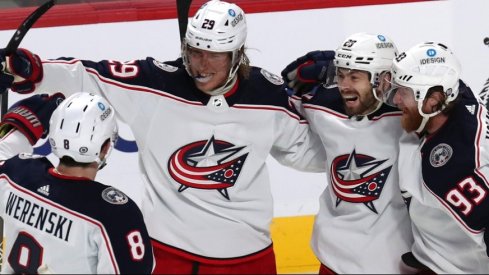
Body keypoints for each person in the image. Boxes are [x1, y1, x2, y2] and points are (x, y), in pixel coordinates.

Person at [0, 0, 326, 273]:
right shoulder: (155, 84)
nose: (201, 64)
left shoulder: (268, 96)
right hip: (167, 256)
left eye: (214, 54)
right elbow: (89, 75)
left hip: (249, 259)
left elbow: (308, 153)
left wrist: (337, 107)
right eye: (195, 51)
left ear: (238, 53)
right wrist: (34, 70)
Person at [281, 32, 414, 274]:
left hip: (395, 262)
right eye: (340, 75)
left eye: (354, 77)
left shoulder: (410, 119)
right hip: (333, 262)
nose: (344, 86)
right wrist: (286, 84)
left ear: (384, 79)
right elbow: (274, 110)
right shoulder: (320, 105)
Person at [0, 92, 154, 274]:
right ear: (105, 147)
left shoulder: (16, 173)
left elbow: (6, 147)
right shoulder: (116, 214)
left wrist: (30, 114)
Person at [383, 42, 489, 273]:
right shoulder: (459, 93)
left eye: (404, 92)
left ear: (433, 100)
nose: (397, 100)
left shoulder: (450, 168)